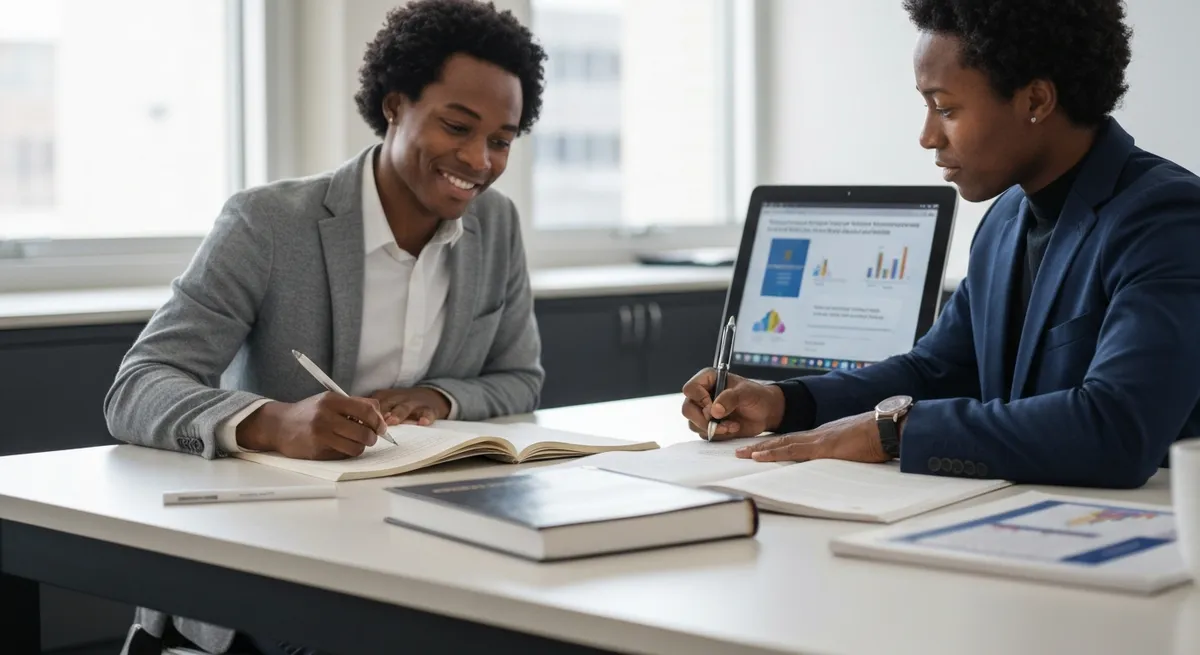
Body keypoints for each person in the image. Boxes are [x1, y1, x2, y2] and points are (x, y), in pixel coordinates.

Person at [107, 1, 546, 653]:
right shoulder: (268, 223)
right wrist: (274, 423)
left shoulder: (496, 226)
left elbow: (519, 379)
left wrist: (439, 398)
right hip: (275, 559)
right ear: (394, 105)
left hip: (430, 544)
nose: (479, 159)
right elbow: (137, 387)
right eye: (458, 126)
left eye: (502, 140)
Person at [683, 0, 1200, 490]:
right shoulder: (1005, 219)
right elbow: (935, 371)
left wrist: (890, 432)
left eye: (945, 108)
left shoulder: (1167, 218)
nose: (928, 136)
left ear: (1036, 100)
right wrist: (782, 402)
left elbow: (1116, 428)